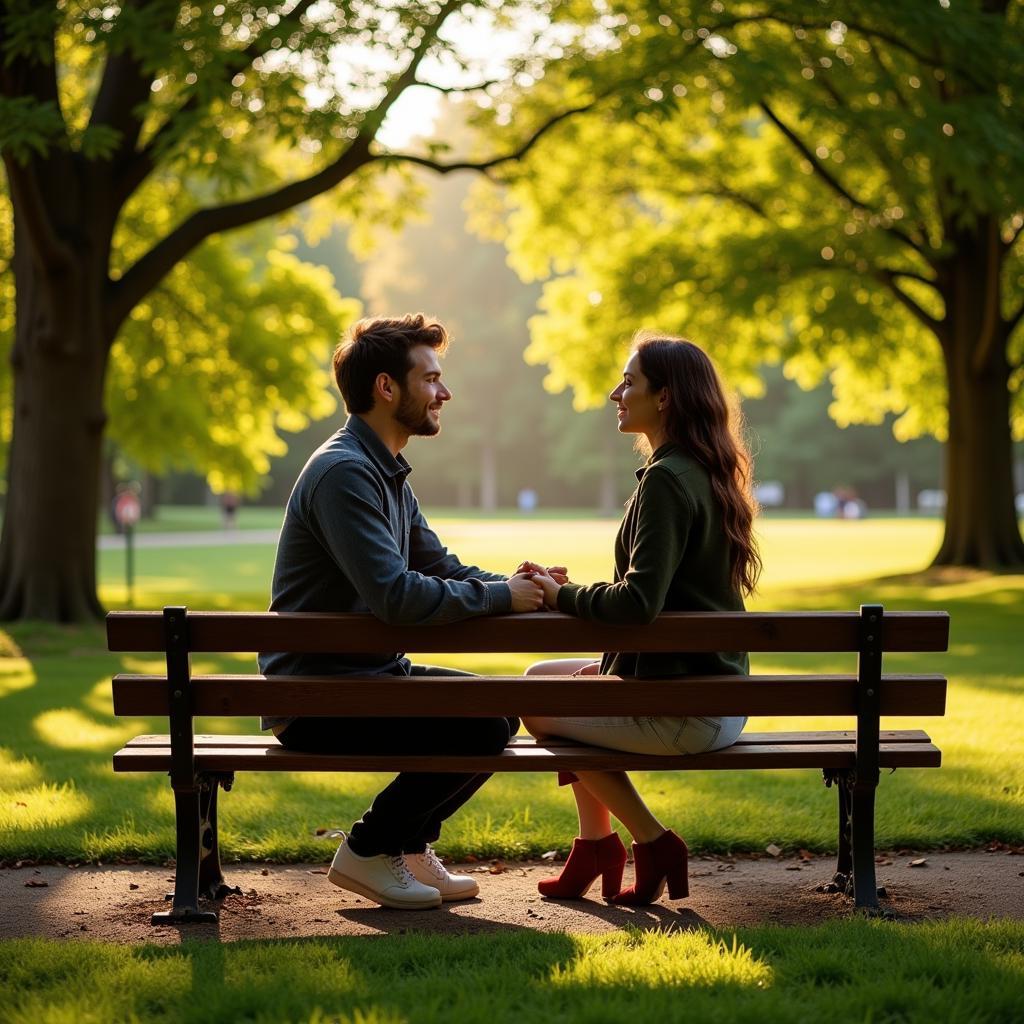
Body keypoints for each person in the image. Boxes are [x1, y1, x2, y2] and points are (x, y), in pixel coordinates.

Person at [259, 314, 556, 911]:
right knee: (477, 725)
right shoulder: (344, 472)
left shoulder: (384, 470)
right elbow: (395, 596)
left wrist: (518, 584)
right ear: (386, 388)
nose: (444, 392)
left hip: (363, 680)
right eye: (432, 378)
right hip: (317, 696)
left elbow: (440, 566)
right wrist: (504, 599)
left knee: (497, 714)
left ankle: (410, 847)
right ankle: (369, 849)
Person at [523, 333, 761, 906]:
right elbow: (667, 606)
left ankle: (651, 840)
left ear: (667, 398)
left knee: (536, 704)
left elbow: (636, 605)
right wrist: (608, 671)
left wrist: (561, 596)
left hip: (687, 711)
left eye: (629, 382)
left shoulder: (666, 480)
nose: (615, 393)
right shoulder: (703, 470)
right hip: (713, 691)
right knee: (542, 676)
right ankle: (595, 846)